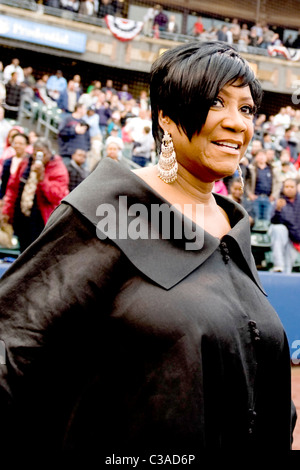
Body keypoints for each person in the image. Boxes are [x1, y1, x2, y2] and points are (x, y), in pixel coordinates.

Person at [0, 41, 295, 457]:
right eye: (216, 103)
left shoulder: (234, 228)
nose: (237, 123)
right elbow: (12, 345)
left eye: (246, 109)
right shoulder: (113, 208)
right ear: (167, 118)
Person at [1, 137, 69, 252]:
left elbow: (58, 195)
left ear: (49, 152)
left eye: (43, 153)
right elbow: (12, 188)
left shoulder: (57, 167)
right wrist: (7, 210)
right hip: (22, 215)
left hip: (42, 219)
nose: (39, 157)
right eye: (36, 153)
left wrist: (42, 179)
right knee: (23, 249)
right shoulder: (25, 163)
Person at [269, 178, 300, 273]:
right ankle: (278, 265)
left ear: (296, 188)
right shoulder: (279, 201)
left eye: (292, 187)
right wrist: (278, 210)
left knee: (288, 268)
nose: (289, 189)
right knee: (278, 228)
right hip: (284, 237)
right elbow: (273, 221)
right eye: (286, 187)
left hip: (296, 239)